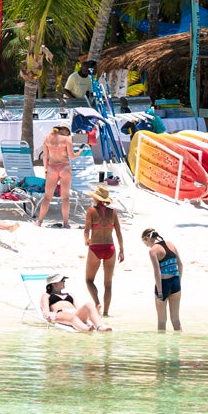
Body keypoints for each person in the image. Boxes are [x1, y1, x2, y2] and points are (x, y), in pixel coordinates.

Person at [83, 186, 128, 315]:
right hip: (110, 248)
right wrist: (121, 250)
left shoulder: (91, 211)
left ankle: (97, 303)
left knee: (89, 280)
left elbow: (86, 230)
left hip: (96, 247)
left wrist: (86, 240)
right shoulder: (113, 212)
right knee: (108, 284)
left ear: (95, 198)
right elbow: (119, 233)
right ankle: (106, 313)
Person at [39, 271, 110, 331]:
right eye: (62, 280)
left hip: (75, 313)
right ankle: (86, 329)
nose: (64, 281)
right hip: (60, 313)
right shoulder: (46, 295)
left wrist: (89, 313)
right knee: (72, 317)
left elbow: (78, 308)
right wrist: (49, 318)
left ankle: (99, 327)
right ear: (54, 283)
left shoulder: (70, 294)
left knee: (89, 304)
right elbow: (45, 311)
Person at [36, 124, 75, 228]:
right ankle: (66, 223)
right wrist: (79, 152)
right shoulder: (67, 139)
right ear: (64, 130)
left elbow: (45, 156)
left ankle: (39, 221)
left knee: (47, 197)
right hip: (64, 167)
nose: (68, 134)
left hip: (52, 168)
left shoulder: (47, 138)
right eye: (68, 131)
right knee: (65, 197)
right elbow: (72, 156)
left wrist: (45, 169)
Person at [143, 229, 182, 331]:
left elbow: (157, 272)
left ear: (147, 238)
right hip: (176, 282)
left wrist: (160, 292)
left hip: (164, 284)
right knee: (176, 320)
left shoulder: (153, 250)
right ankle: (177, 346)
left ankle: (161, 347)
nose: (147, 245)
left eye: (145, 243)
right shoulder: (170, 244)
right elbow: (180, 264)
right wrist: (179, 281)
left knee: (161, 322)